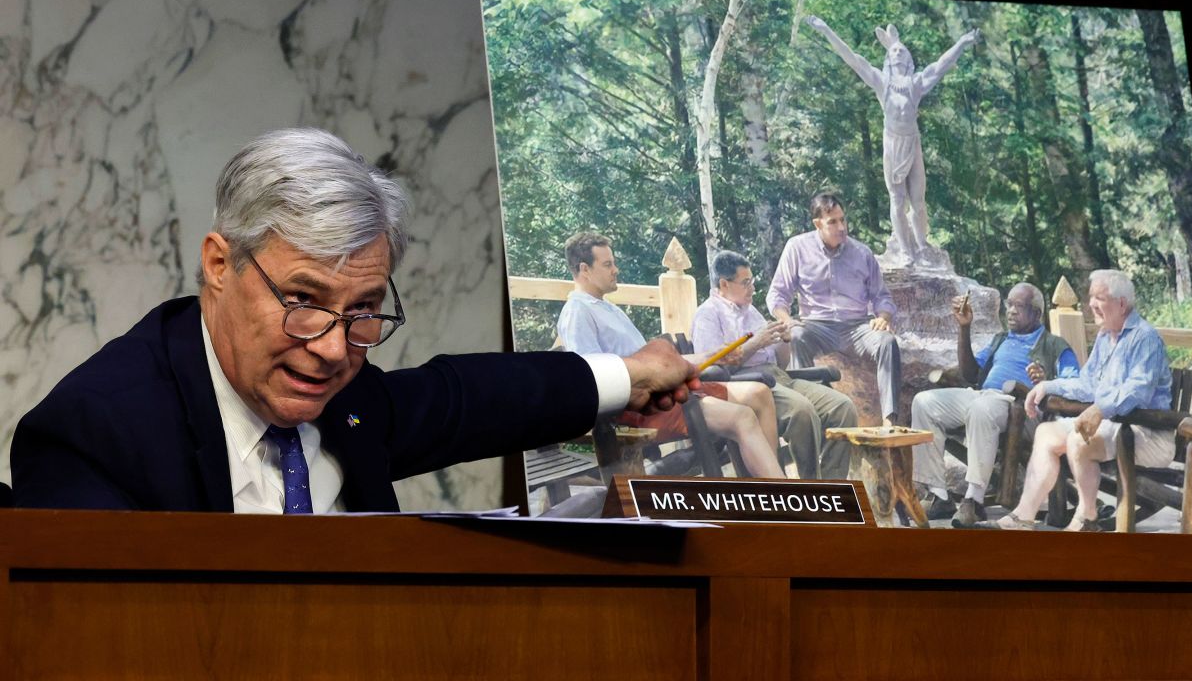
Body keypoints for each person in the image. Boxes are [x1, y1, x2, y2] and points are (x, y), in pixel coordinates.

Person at [11, 128, 697, 512]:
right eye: (303, 301)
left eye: (364, 311)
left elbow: (472, 399)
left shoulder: (349, 400)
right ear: (220, 266)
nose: (334, 351)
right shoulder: (94, 432)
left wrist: (631, 376)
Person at [558, 233, 785, 479]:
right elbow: (594, 378)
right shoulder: (577, 312)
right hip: (640, 408)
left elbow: (655, 365)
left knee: (758, 393)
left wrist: (716, 355)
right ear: (584, 269)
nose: (616, 269)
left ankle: (766, 485)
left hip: (666, 391)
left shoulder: (608, 308)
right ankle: (776, 495)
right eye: (607, 264)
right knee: (742, 416)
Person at [987, 270, 1174, 532]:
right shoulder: (1105, 336)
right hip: (1116, 428)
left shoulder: (1145, 337)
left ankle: (1087, 518)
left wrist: (1100, 408)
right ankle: (1024, 516)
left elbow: (1138, 390)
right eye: (1091, 298)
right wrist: (1046, 385)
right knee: (1046, 432)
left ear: (1121, 303)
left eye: (1099, 298)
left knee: (1078, 438)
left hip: (1147, 435)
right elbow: (1087, 384)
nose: (1091, 305)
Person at [805, 16, 979, 267]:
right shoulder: (881, 81)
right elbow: (851, 58)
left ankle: (921, 244)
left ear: (908, 59)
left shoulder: (916, 83)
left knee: (918, 201)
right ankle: (906, 251)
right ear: (888, 57)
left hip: (912, 142)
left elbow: (941, 65)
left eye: (901, 50)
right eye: (893, 50)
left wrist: (962, 42)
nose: (897, 52)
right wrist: (826, 30)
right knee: (897, 200)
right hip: (893, 144)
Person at [910, 283, 1080, 527]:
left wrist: (1047, 383)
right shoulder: (1000, 340)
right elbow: (970, 373)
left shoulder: (1055, 345)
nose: (1010, 311)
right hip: (983, 395)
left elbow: (1074, 383)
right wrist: (964, 328)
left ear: (1036, 314)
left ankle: (974, 500)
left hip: (1020, 407)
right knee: (924, 402)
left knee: (983, 409)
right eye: (1009, 304)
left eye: (1018, 306)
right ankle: (939, 495)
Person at [692, 250, 857, 480]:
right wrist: (755, 343)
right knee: (802, 411)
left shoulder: (750, 311)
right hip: (751, 384)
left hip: (779, 377)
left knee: (843, 406)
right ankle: (811, 486)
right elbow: (713, 368)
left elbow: (780, 361)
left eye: (752, 281)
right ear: (724, 284)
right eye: (746, 282)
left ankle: (833, 484)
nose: (752, 288)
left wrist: (784, 340)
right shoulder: (708, 314)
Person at [766, 192, 901, 424]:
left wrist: (883, 317)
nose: (841, 227)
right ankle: (811, 415)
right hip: (817, 325)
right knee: (797, 336)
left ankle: (890, 418)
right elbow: (777, 294)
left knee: (887, 341)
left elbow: (882, 297)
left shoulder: (862, 253)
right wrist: (786, 319)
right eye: (833, 222)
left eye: (843, 219)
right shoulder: (797, 248)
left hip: (857, 327)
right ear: (817, 224)